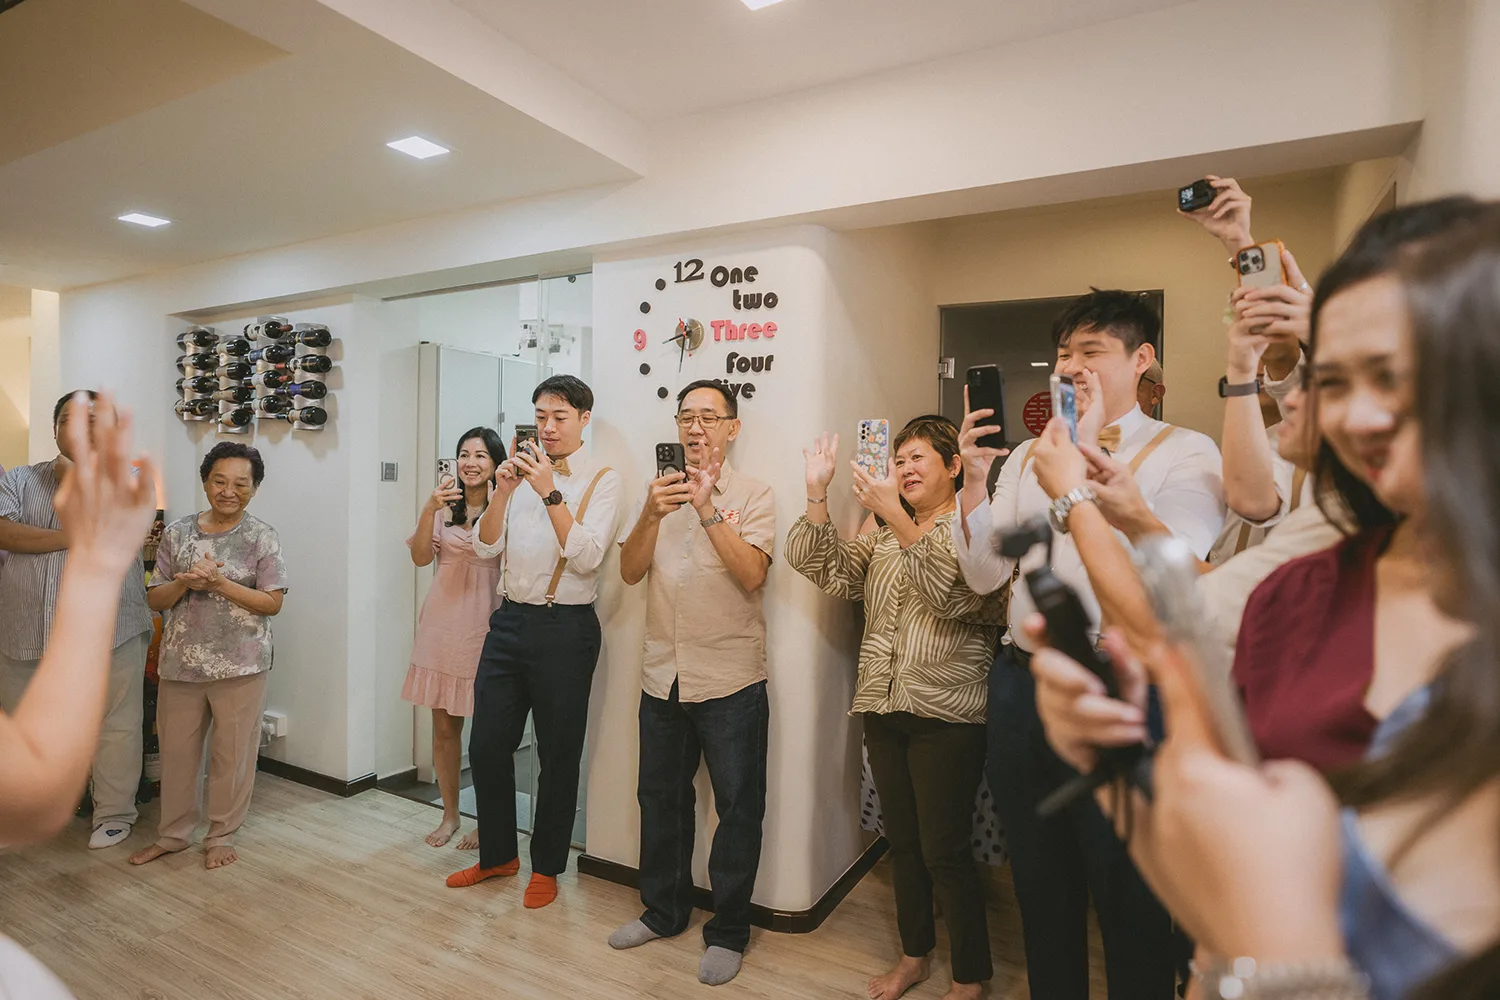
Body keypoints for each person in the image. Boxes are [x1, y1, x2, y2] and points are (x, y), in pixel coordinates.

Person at [1030, 204, 1500, 1000]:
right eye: (1333, 380)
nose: (1354, 414)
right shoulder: (1305, 585)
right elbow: (1223, 897)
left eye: (1390, 374)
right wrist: (1104, 768)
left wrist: (1079, 505)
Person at [953, 289, 1224, 1000]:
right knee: (1039, 882)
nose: (1072, 366)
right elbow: (983, 573)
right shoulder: (1026, 458)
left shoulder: (1186, 452)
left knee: (1129, 888)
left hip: (1124, 687)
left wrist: (1081, 485)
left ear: (1141, 359)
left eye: (1092, 351)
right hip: (1022, 684)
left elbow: (1177, 585)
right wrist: (978, 485)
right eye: (1065, 353)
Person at [787, 417, 1003, 1000]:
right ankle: (914, 956)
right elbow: (828, 570)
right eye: (899, 459)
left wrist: (901, 521)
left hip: (949, 714)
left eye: (918, 459)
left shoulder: (975, 526)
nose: (905, 469)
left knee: (946, 850)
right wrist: (817, 492)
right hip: (883, 703)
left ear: (953, 466)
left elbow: (959, 596)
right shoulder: (881, 531)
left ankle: (970, 976)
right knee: (901, 842)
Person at [609, 380, 775, 987]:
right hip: (662, 677)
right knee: (660, 801)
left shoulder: (754, 495)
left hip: (731, 678)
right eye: (686, 417)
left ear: (732, 427)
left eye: (708, 416)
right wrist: (654, 512)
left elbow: (752, 574)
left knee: (737, 809)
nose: (695, 427)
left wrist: (706, 510)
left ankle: (729, 931)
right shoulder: (655, 495)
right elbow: (628, 573)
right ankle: (663, 910)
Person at [0, 392, 159, 999]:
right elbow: (5, 531)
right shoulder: (19, 479)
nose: (90, 431)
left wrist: (57, 538)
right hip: (24, 627)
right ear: (55, 428)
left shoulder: (127, 480)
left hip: (112, 626)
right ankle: (38, 798)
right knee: (23, 722)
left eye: (101, 423)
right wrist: (75, 539)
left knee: (117, 724)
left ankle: (114, 813)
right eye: (77, 420)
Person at [449, 375, 623, 911]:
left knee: (558, 751)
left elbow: (588, 555)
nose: (547, 427)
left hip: (564, 628)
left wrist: (549, 489)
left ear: (584, 420)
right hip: (508, 623)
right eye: (541, 416)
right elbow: (485, 544)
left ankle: (547, 866)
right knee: (486, 745)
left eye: (560, 417)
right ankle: (498, 854)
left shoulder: (604, 478)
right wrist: (503, 491)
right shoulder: (517, 476)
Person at [129, 442, 286, 871]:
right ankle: (173, 835)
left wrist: (219, 584)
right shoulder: (178, 532)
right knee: (178, 754)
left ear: (253, 490)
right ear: (205, 482)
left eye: (240, 483)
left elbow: (272, 602)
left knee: (231, 756)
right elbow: (155, 598)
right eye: (220, 480)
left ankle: (221, 834)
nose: (228, 490)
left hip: (242, 662)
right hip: (181, 662)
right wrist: (184, 582)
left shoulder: (261, 536)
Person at [402, 426, 505, 851]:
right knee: (444, 729)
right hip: (442, 625)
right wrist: (428, 509)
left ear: (496, 463)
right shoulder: (444, 510)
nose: (471, 462)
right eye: (464, 454)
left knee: (489, 737)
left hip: (488, 627)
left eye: (481, 455)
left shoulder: (509, 505)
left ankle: (488, 818)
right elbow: (421, 557)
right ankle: (449, 814)